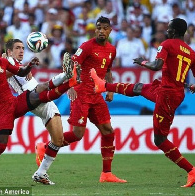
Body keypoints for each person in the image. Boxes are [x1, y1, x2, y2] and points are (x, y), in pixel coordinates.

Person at [90, 18, 195, 187]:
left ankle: (192, 171)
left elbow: (156, 65)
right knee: (138, 87)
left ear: (173, 31)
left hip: (167, 96)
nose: (166, 32)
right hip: (172, 92)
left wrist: (142, 62)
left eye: (168, 29)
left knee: (159, 140)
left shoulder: (167, 44)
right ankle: (104, 85)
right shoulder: (191, 52)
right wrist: (193, 86)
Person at [0, 43, 80, 185]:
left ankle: (69, 81)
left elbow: (21, 72)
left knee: (40, 92)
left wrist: (29, 65)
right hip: (1, 112)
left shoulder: (1, 62)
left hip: (15, 102)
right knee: (1, 146)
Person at [36, 16, 127, 183]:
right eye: (98, 27)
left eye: (104, 28)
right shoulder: (86, 46)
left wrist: (110, 88)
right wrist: (70, 86)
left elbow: (107, 70)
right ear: (95, 30)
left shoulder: (112, 49)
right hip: (81, 94)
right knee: (78, 134)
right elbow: (70, 65)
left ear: (110, 30)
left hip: (96, 94)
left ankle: (106, 173)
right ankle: (45, 147)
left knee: (108, 131)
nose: (101, 30)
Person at [4, 38, 73, 185]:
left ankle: (40, 173)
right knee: (45, 87)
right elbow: (3, 73)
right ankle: (66, 76)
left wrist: (25, 67)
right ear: (9, 52)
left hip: (41, 102)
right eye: (17, 48)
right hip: (30, 96)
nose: (21, 50)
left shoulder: (18, 65)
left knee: (58, 140)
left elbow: (19, 70)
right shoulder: (8, 64)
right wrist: (17, 65)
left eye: (22, 48)